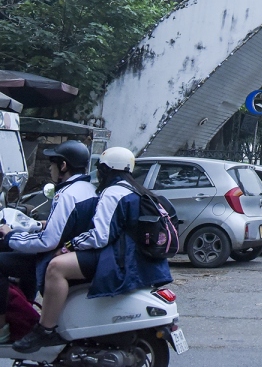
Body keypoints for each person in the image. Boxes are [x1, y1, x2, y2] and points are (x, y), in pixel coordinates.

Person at [14, 147, 172, 352]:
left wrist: (68, 246)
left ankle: (46, 329)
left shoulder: (113, 193)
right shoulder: (134, 189)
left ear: (107, 170)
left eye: (100, 169)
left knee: (56, 267)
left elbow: (100, 235)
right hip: (135, 258)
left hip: (121, 260)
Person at [0, 141, 95, 344]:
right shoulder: (86, 188)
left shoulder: (66, 194)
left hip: (53, 255)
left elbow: (47, 241)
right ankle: (25, 316)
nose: (49, 169)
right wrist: (43, 224)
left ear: (63, 166)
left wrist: (10, 235)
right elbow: (66, 226)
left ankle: (2, 329)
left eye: (52, 164)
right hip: (67, 251)